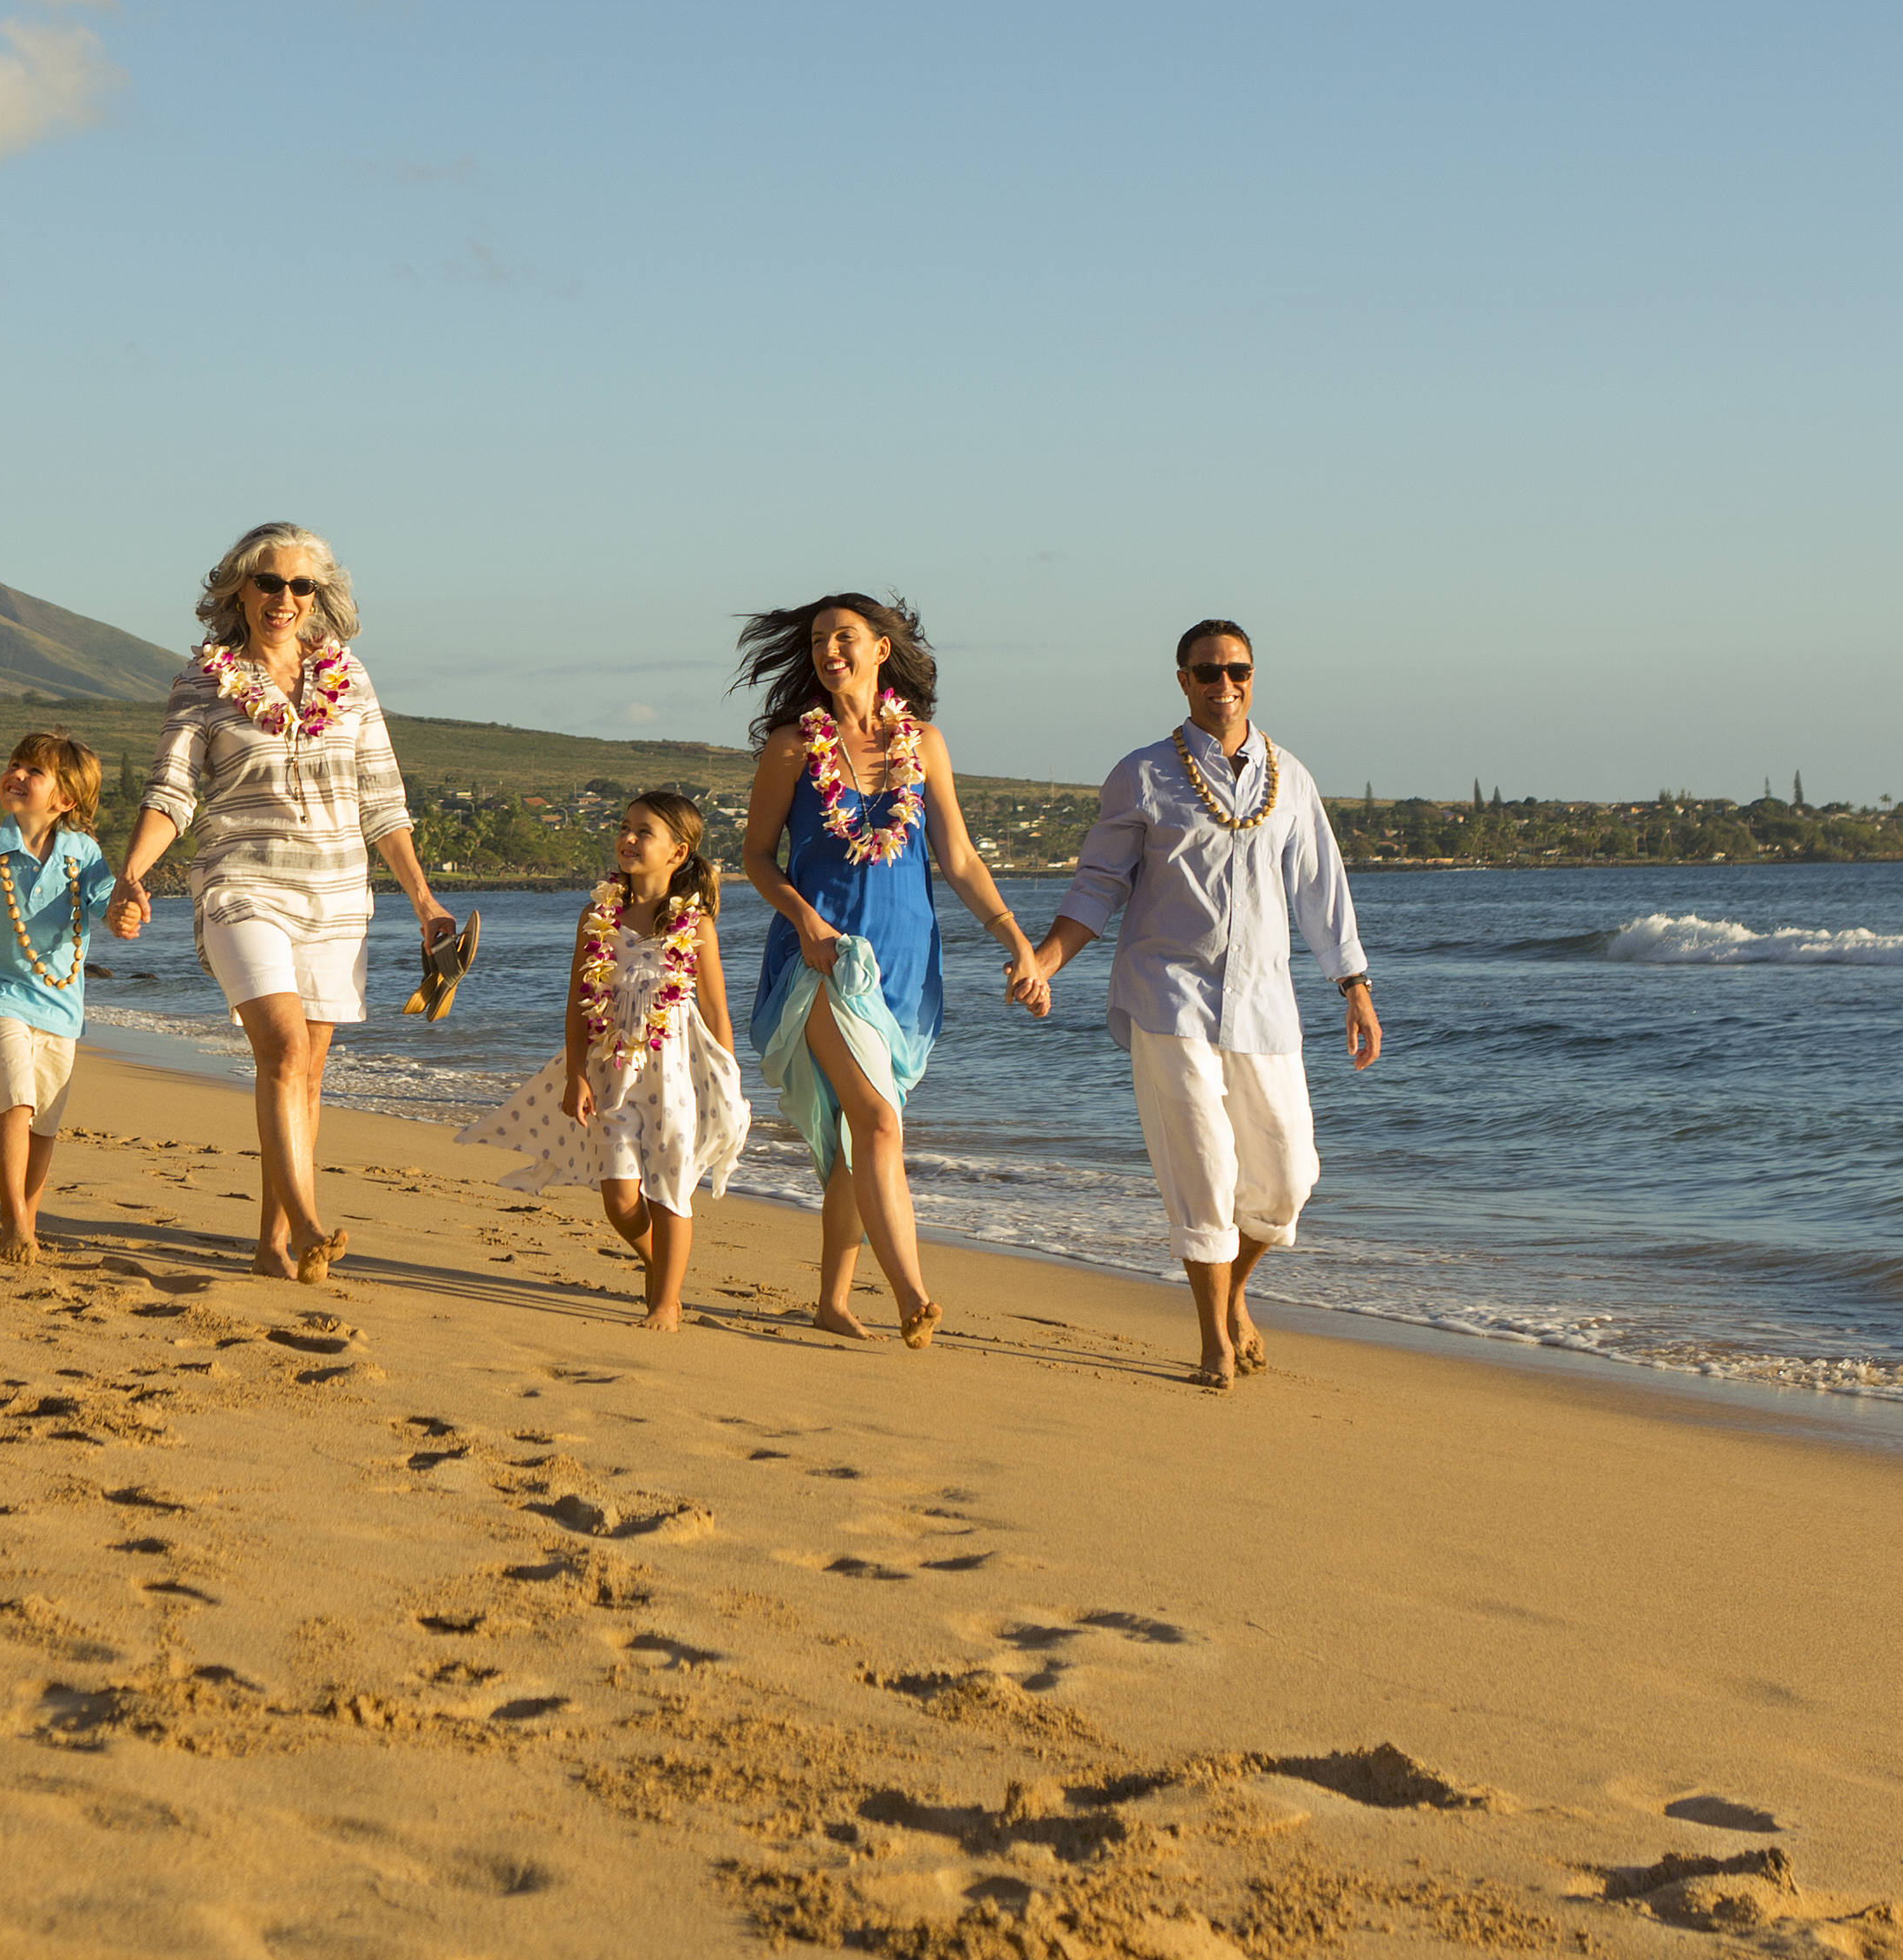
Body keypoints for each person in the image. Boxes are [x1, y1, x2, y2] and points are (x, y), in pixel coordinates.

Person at [1026, 619, 1380, 1390]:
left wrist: (1354, 988)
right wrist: (1048, 960)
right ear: (1182, 679)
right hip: (1169, 999)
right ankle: (1212, 1338)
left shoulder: (1292, 777)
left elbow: (1322, 891)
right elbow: (1099, 883)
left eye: (1238, 671)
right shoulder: (1143, 774)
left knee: (1288, 1179)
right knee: (1205, 1172)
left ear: (1255, 676)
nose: (1225, 685)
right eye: (1208, 672)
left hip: (1266, 1007)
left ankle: (1237, 1292)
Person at [105, 522, 453, 1280]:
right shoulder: (204, 681)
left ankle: (270, 1245)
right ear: (239, 589)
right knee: (284, 1050)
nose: (284, 598)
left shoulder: (350, 677)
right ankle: (308, 1221)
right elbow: (172, 790)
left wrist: (424, 902)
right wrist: (132, 873)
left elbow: (382, 800)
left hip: (337, 893)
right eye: (269, 582)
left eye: (301, 585)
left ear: (318, 596)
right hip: (242, 883)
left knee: (309, 1069)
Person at [734, 593, 1052, 1351]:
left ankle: (831, 1300)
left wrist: (1016, 941)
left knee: (858, 1134)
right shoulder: (792, 747)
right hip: (824, 958)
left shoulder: (925, 745)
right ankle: (913, 1294)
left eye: (844, 637)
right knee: (879, 1124)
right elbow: (755, 856)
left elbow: (961, 860)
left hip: (906, 966)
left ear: (882, 649)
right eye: (817, 641)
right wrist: (804, 918)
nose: (827, 651)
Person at [479, 792, 748, 1327]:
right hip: (610, 1071)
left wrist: (725, 1081)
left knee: (671, 1184)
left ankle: (666, 1304)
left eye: (643, 831)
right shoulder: (598, 916)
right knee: (619, 1197)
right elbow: (579, 1002)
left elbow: (717, 1010)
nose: (628, 838)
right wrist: (577, 1074)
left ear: (678, 851)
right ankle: (658, 1262)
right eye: (625, 827)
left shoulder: (697, 928)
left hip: (676, 1075)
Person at [0, 730, 115, 1260]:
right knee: (16, 1095)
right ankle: (12, 1219)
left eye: (33, 771)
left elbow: (108, 905)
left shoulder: (84, 854)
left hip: (62, 1005)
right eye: (14, 763)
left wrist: (127, 908)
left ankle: (28, 1217)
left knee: (46, 1119)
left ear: (65, 800)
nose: (17, 774)